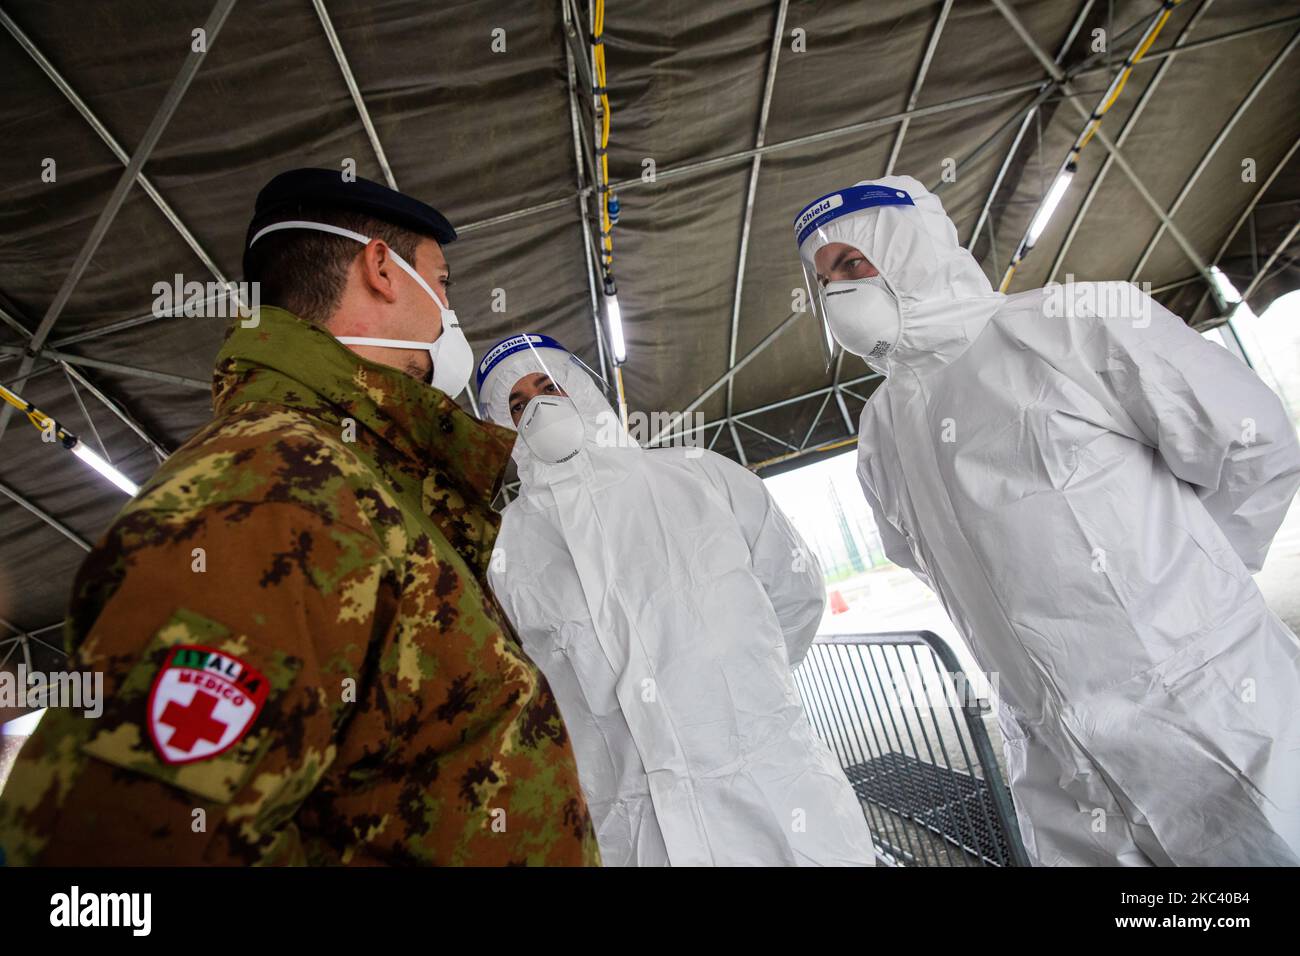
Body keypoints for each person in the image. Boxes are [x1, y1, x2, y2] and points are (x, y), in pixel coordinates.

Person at [0, 169, 598, 867]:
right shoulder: (267, 495)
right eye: (444, 283)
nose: (447, 312)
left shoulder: (373, 485)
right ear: (382, 268)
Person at [792, 175, 1300, 866]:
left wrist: (1201, 598)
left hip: (1211, 711)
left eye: (852, 263)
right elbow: (927, 560)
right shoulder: (882, 428)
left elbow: (1251, 441)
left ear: (915, 250)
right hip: (1057, 760)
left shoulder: (1067, 325)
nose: (839, 292)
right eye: (823, 281)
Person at [477, 333, 876, 866]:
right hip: (638, 827)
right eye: (518, 405)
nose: (539, 410)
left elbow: (793, 595)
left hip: (775, 788)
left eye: (550, 386)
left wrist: (741, 692)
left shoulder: (699, 476)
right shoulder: (507, 549)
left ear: (584, 389)